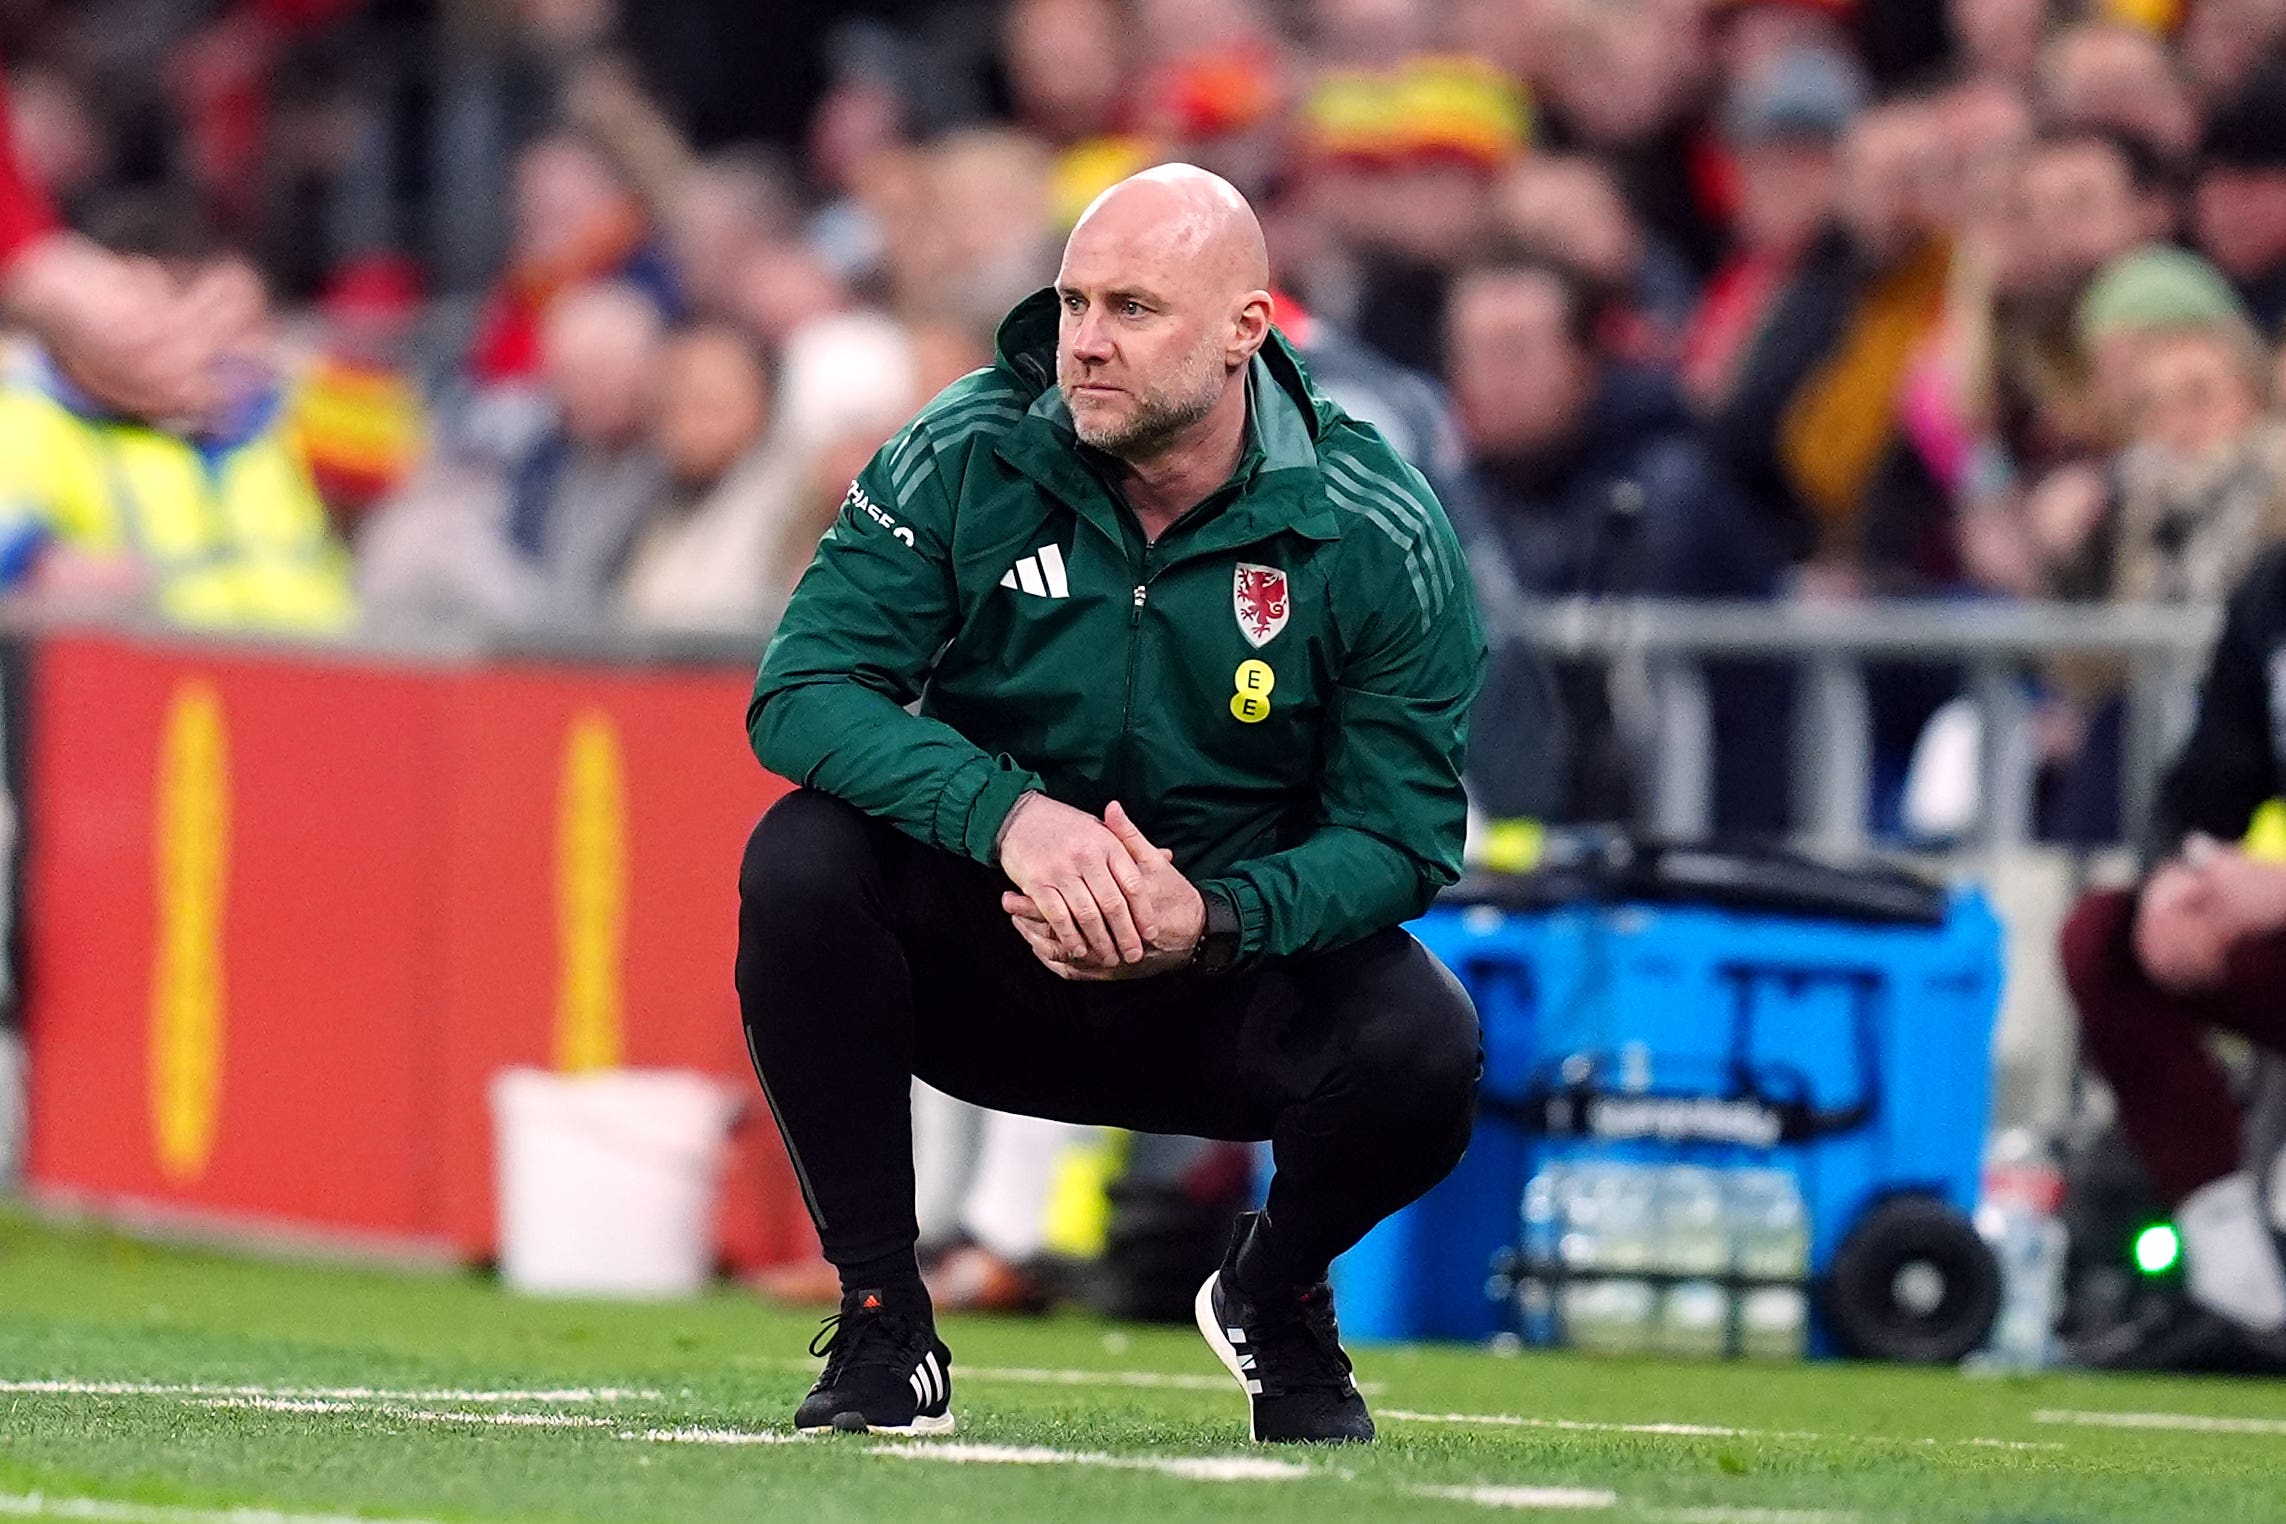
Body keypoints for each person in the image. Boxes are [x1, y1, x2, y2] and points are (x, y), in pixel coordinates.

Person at [735, 164, 1483, 1443]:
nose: (1084, 341)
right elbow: (802, 691)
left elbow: (1404, 838)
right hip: (994, 954)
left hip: (1223, 987)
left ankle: (1278, 1290)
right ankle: (880, 1318)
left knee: (1430, 1043)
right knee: (801, 864)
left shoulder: (1374, 524)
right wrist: (1014, 820)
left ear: (1248, 329)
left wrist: (1213, 915)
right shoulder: (967, 445)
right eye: (1075, 301)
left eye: (1133, 308)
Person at [2059, 542, 2286, 1369]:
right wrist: (2172, 882)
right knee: (2109, 940)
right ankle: (2237, 1273)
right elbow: (2211, 773)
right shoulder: (2274, 584)